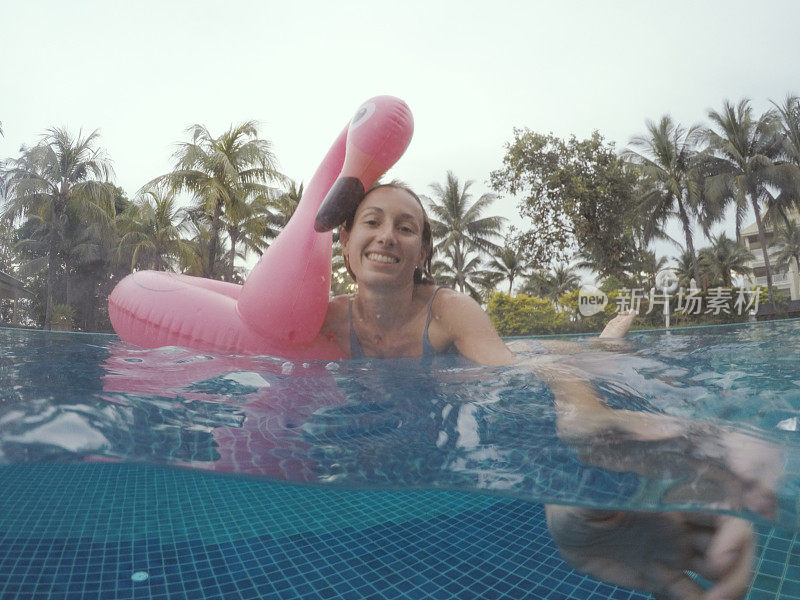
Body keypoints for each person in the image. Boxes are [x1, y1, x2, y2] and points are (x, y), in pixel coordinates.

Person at [316, 181, 767, 600]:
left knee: (584, 371)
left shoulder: (449, 310)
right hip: (478, 369)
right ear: (345, 240)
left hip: (519, 356)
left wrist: (585, 415)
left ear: (423, 250)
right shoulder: (327, 319)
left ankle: (608, 342)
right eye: (372, 221)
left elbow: (524, 378)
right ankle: (604, 341)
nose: (387, 236)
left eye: (406, 227)